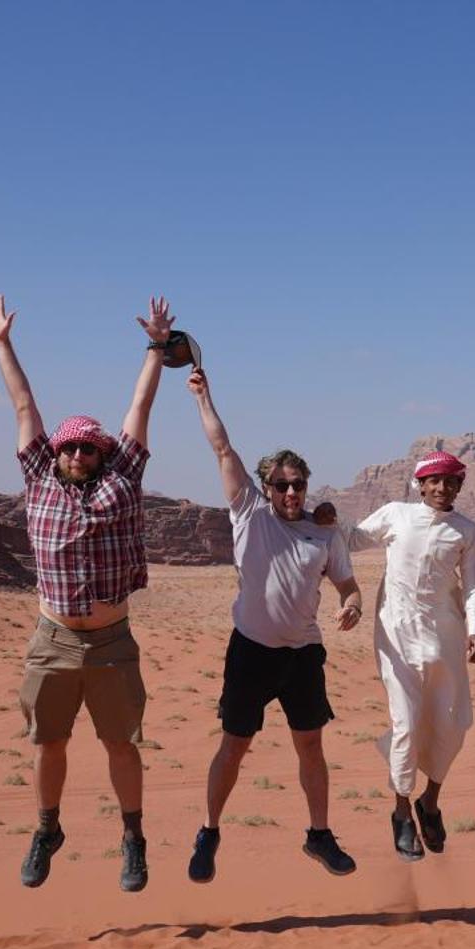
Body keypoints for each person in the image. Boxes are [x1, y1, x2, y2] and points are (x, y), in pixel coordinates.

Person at [0, 292, 176, 894]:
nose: (74, 453)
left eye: (85, 447)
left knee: (121, 744)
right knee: (48, 741)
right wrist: (2, 342)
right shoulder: (39, 477)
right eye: (67, 446)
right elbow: (23, 403)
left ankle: (133, 837)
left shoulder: (124, 476)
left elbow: (141, 404)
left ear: (102, 453)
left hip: (113, 642)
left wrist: (156, 347)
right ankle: (47, 830)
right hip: (53, 640)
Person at [184, 364, 363, 882]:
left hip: (303, 654)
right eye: (282, 485)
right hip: (252, 651)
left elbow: (347, 585)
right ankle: (209, 831)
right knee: (234, 746)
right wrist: (203, 397)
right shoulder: (249, 513)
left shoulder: (323, 534)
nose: (291, 493)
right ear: (265, 487)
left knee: (311, 745)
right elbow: (222, 449)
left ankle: (319, 835)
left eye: (299, 485)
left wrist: (351, 603)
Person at [347, 451, 475, 860]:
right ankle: (401, 813)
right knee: (406, 723)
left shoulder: (466, 531)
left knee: (450, 723)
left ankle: (431, 801)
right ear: (420, 485)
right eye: (434, 481)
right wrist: (316, 519)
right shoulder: (395, 514)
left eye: (450, 481)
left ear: (459, 486)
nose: (442, 488)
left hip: (445, 636)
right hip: (396, 635)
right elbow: (351, 538)